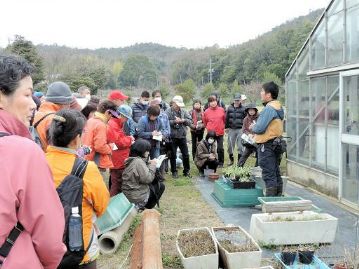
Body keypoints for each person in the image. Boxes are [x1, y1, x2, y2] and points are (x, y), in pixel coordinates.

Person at [0, 55, 66, 268]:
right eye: (27, 95)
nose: (33, 104)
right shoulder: (22, 152)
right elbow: (49, 235)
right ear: (1, 96)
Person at [46, 109, 110, 268]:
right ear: (76, 138)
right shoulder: (86, 169)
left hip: (45, 246)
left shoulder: (38, 161)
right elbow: (102, 205)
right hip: (78, 247)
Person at [251, 81, 284, 197]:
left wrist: (253, 127)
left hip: (267, 145)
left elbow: (259, 128)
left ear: (268, 94)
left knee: (268, 173)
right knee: (275, 171)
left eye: (262, 91)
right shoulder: (278, 106)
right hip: (275, 144)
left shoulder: (269, 108)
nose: (260, 93)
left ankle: (270, 201)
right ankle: (278, 197)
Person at [82, 100, 117, 186]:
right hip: (96, 162)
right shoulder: (101, 124)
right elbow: (100, 147)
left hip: (86, 158)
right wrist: (110, 147)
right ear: (107, 112)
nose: (111, 118)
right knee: (100, 188)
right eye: (111, 115)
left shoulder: (91, 120)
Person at [122, 139, 165, 210]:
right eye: (147, 150)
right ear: (142, 150)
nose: (148, 153)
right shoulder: (138, 162)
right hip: (136, 198)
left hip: (129, 195)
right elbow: (148, 179)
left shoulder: (132, 160)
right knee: (161, 186)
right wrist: (153, 165)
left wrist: (148, 163)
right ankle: (145, 207)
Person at [33, 81, 73, 151]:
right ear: (64, 103)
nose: (69, 107)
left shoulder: (37, 114)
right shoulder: (55, 120)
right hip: (47, 159)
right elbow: (57, 151)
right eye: (69, 103)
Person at [107, 105, 134, 196]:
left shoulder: (116, 123)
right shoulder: (113, 124)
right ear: (121, 115)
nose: (126, 120)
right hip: (118, 160)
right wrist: (130, 140)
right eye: (126, 118)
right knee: (117, 185)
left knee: (118, 184)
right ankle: (112, 206)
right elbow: (118, 142)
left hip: (119, 158)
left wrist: (127, 138)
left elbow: (120, 138)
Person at [166, 95, 192, 178]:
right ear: (173, 103)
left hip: (182, 136)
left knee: (186, 154)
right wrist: (174, 121)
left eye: (179, 104)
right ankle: (174, 172)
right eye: (176, 104)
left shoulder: (184, 111)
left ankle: (186, 171)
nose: (177, 106)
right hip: (172, 136)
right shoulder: (168, 111)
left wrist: (183, 120)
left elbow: (190, 121)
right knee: (173, 155)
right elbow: (165, 122)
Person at [203, 96, 226, 167]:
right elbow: (205, 122)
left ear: (217, 101)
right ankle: (210, 161)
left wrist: (222, 127)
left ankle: (221, 162)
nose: (213, 103)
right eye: (211, 102)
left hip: (220, 132)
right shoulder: (206, 111)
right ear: (209, 103)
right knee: (210, 148)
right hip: (211, 133)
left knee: (220, 148)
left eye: (214, 101)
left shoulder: (221, 109)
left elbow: (224, 120)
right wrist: (209, 128)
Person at [225, 93, 246, 166]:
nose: (236, 101)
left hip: (240, 129)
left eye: (238, 100)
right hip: (231, 129)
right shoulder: (229, 108)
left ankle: (239, 163)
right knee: (230, 146)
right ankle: (231, 160)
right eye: (235, 100)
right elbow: (226, 118)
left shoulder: (244, 108)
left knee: (240, 146)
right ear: (233, 100)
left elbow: (246, 119)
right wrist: (226, 127)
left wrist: (245, 129)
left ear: (240, 100)